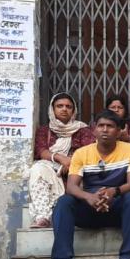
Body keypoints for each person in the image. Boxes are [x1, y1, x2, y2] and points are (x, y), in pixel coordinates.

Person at [43, 110, 130, 259]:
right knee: (64, 202)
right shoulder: (82, 153)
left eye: (110, 126)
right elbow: (72, 186)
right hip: (90, 208)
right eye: (101, 126)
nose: (105, 130)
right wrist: (89, 197)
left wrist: (114, 192)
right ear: (94, 130)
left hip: (117, 209)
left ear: (119, 130)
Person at [28, 93, 96, 228]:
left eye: (68, 107)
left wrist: (71, 162)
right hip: (53, 169)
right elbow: (40, 151)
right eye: (60, 106)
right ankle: (43, 217)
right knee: (38, 169)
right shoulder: (44, 131)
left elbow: (90, 150)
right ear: (52, 109)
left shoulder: (83, 130)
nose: (64, 109)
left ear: (73, 110)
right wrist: (60, 158)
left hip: (77, 171)